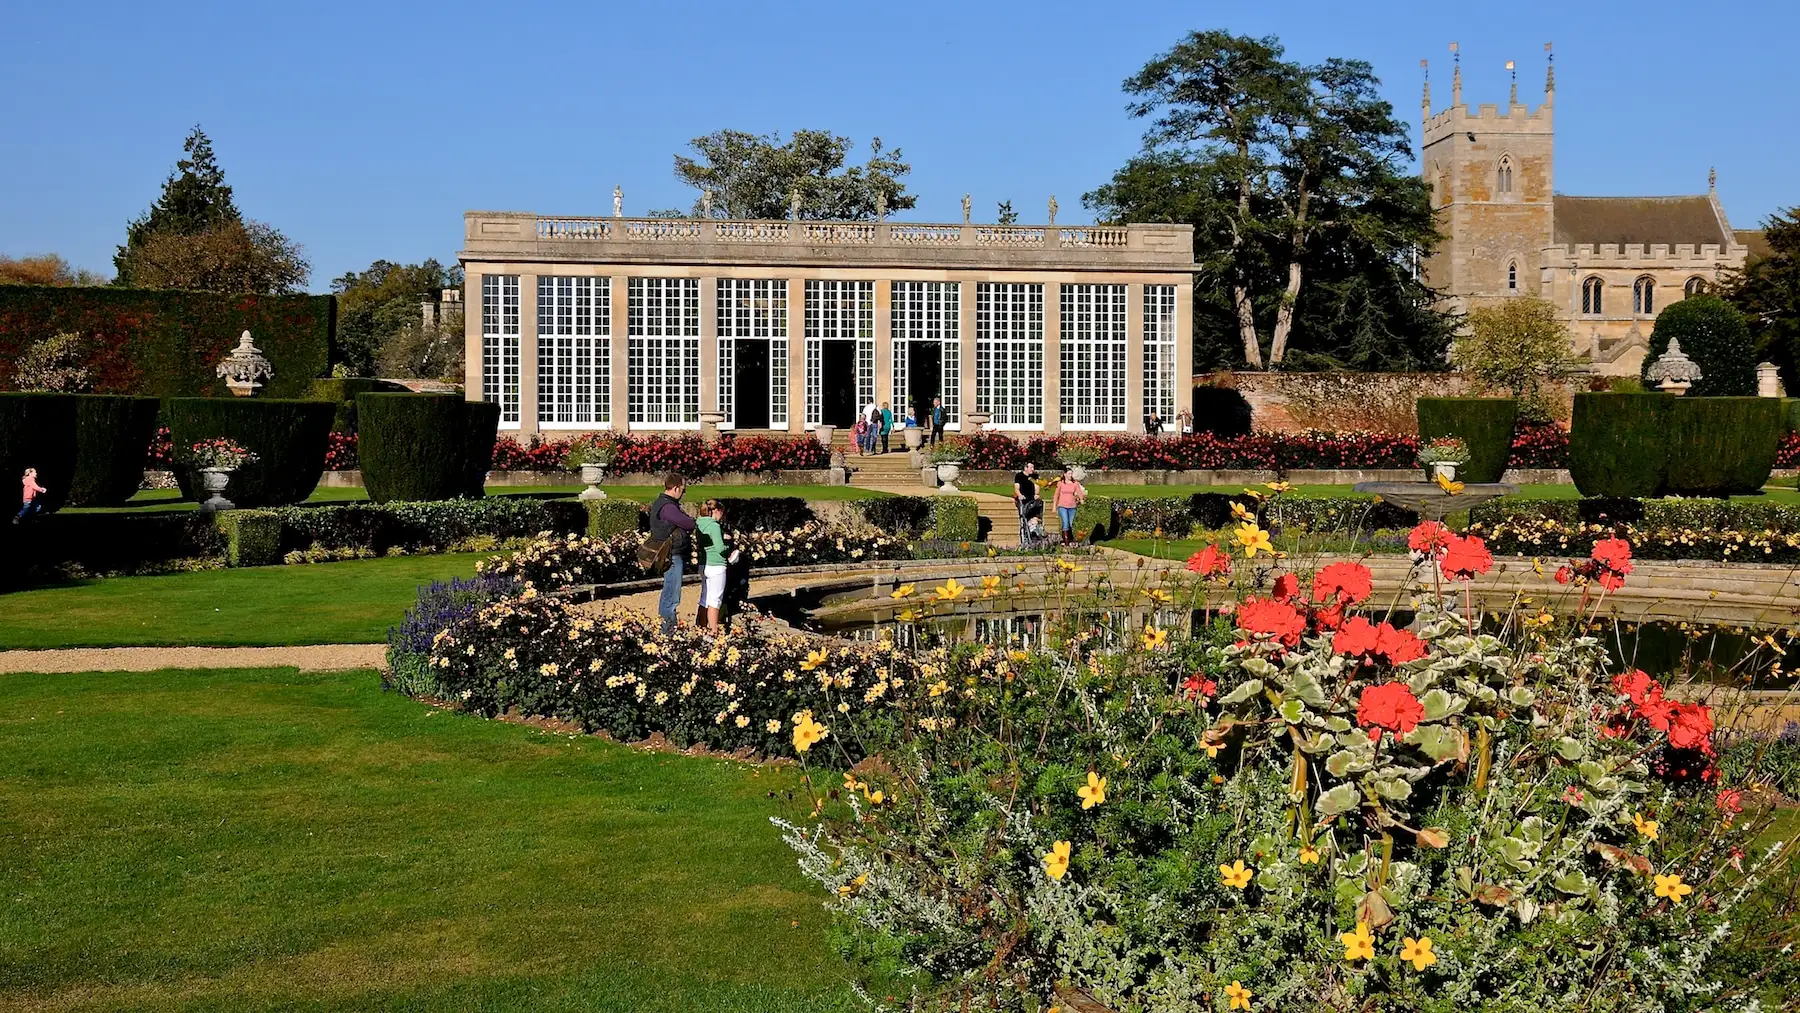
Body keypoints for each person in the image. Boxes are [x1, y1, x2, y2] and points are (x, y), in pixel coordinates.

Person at [647, 473, 695, 633]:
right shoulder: (667, 507)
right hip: (671, 555)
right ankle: (667, 631)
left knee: (670, 593)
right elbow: (688, 523)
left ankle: (668, 628)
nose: (683, 493)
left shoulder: (665, 504)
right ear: (675, 488)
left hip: (671, 553)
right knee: (672, 595)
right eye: (683, 490)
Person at [694, 499, 730, 631]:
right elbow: (720, 548)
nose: (722, 517)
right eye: (721, 513)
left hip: (704, 564)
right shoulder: (714, 526)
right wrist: (729, 549)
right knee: (715, 600)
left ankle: (701, 628)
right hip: (716, 564)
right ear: (716, 511)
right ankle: (714, 632)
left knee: (704, 598)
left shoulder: (700, 523)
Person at [1052, 470, 1087, 545]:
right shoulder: (1060, 483)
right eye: (1069, 473)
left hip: (1072, 506)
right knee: (1065, 522)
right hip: (1062, 505)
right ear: (1065, 474)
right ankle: (1066, 540)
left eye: (1071, 473)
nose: (1070, 475)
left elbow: (1079, 492)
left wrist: (1081, 499)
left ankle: (1068, 538)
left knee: (1070, 523)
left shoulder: (1075, 483)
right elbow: (1056, 494)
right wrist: (1054, 506)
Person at [1012, 461, 1040, 529]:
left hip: (1032, 499)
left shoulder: (1034, 476)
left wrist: (1036, 494)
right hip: (1024, 499)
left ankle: (1033, 525)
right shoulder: (1019, 476)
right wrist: (1020, 495)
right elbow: (1016, 488)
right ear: (1025, 468)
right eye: (1031, 467)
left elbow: (1037, 487)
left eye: (1033, 467)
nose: (1032, 469)